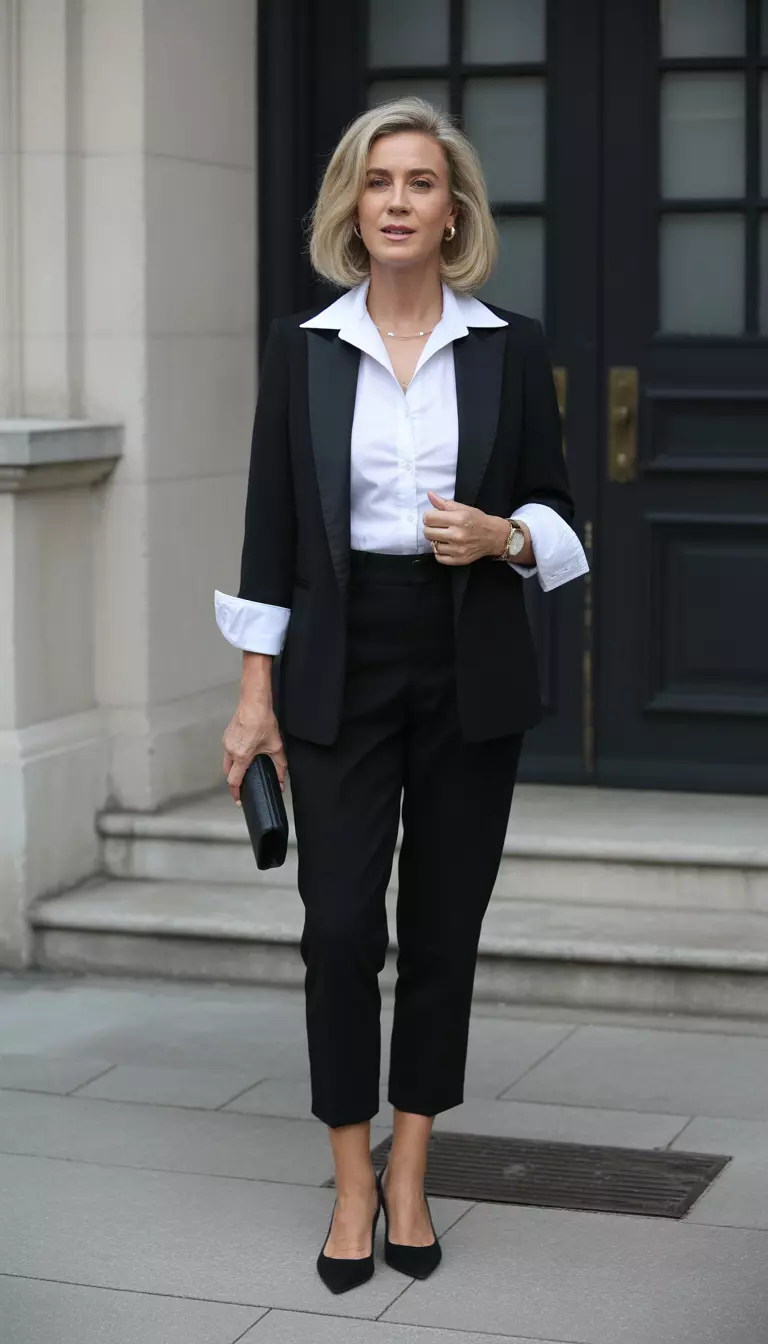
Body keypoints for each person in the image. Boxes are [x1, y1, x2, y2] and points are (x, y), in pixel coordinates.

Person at [215, 97, 588, 1294]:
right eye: (377, 181)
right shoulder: (304, 350)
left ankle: (414, 1166)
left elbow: (564, 516)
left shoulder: (510, 348)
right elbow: (269, 532)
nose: (395, 201)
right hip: (338, 659)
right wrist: (250, 696)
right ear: (351, 204)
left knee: (441, 932)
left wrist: (503, 537)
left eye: (420, 182)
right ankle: (350, 1180)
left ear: (453, 210)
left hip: (469, 655)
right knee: (337, 929)